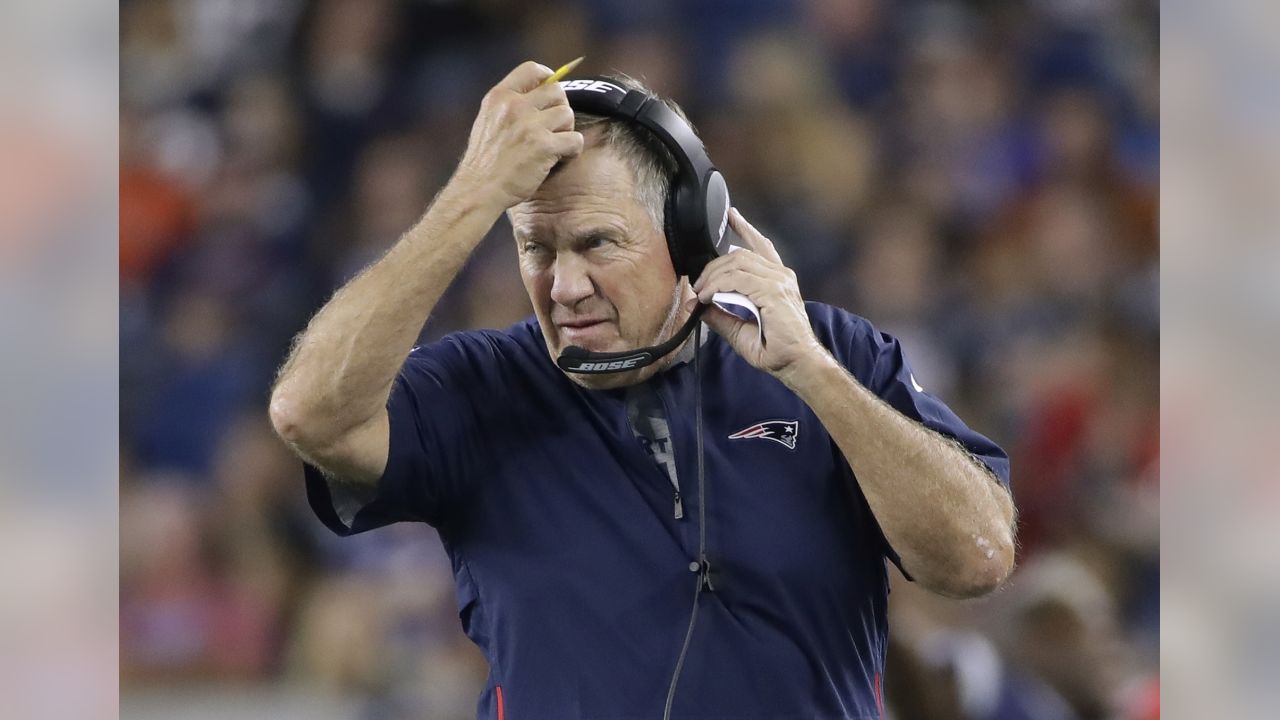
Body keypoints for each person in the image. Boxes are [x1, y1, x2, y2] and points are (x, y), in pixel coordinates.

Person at [269, 61, 1016, 719]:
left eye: (597, 243)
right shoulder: (480, 386)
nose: (563, 285)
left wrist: (815, 378)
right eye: (537, 248)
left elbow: (977, 558)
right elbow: (310, 414)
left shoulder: (835, 354)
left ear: (694, 235)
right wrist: (473, 191)